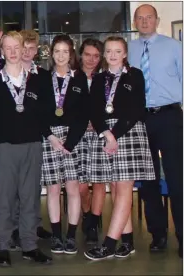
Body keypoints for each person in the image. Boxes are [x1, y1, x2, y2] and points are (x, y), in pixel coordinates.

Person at [84, 36, 156, 260]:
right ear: (104, 54)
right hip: (105, 136)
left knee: (124, 188)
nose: (113, 55)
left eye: (118, 51)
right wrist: (105, 133)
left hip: (129, 133)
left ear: (125, 54)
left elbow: (137, 109)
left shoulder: (135, 75)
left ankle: (109, 244)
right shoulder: (99, 79)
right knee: (114, 187)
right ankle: (128, 241)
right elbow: (94, 110)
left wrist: (115, 134)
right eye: (109, 51)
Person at [0, 31, 53, 267]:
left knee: (30, 198)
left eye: (18, 47)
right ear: (2, 50)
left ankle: (29, 245)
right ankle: (3, 246)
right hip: (5, 148)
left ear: (24, 49)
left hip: (32, 145)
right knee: (5, 199)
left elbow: (45, 113)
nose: (14, 52)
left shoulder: (37, 81)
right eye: (9, 47)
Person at [128, 4, 183, 257]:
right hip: (141, 120)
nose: (145, 21)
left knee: (176, 179)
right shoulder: (129, 49)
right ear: (134, 22)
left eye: (149, 17)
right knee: (148, 180)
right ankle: (158, 234)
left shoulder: (175, 47)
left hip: (170, 116)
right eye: (140, 18)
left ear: (157, 20)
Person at [42, 35, 89, 255]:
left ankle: (71, 235)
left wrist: (70, 142)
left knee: (72, 188)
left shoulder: (79, 79)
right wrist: (50, 136)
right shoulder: (42, 79)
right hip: (50, 138)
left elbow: (83, 114)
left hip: (73, 138)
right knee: (52, 188)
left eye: (65, 51)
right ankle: (56, 236)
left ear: (71, 55)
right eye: (57, 51)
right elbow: (38, 113)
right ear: (51, 54)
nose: (61, 56)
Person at [9, 30, 52, 251]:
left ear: (37, 51)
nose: (27, 52)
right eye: (22, 47)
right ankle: (15, 228)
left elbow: (47, 107)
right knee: (15, 187)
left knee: (34, 185)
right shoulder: (5, 74)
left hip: (38, 135)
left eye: (31, 48)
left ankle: (33, 224)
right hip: (14, 139)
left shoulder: (43, 76)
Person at [78, 38, 106, 245]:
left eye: (96, 56)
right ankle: (87, 213)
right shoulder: (71, 77)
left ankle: (93, 223)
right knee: (80, 185)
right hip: (77, 134)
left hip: (99, 133)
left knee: (98, 180)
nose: (91, 60)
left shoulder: (105, 78)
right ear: (80, 55)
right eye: (87, 55)